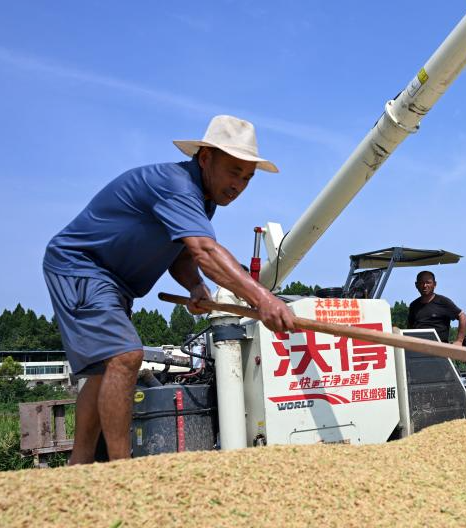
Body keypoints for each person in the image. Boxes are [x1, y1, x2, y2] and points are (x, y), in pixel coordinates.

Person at [42, 115, 294, 464]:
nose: (238, 185)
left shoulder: (203, 199)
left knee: (105, 370)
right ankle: (121, 469)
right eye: (233, 172)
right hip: (83, 266)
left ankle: (80, 463)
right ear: (205, 158)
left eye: (247, 178)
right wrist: (263, 299)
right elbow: (204, 251)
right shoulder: (176, 185)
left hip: (112, 280)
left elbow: (182, 256)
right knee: (125, 356)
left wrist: (195, 285)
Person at [406, 271, 466, 345]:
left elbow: (463, 317)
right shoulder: (413, 305)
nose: (425, 285)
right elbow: (410, 329)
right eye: (421, 283)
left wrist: (459, 341)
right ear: (416, 285)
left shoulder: (443, 302)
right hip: (418, 348)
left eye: (428, 282)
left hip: (439, 349)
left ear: (434, 284)